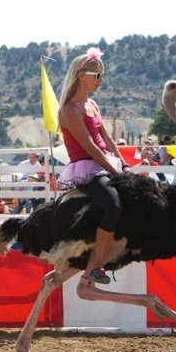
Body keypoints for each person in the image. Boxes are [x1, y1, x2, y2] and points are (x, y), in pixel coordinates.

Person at [55, 47, 127, 285]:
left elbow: (106, 139)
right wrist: (116, 171)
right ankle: (97, 266)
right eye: (97, 75)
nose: (101, 80)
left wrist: (122, 163)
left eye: (101, 75)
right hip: (88, 166)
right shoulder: (69, 109)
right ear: (81, 75)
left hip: (104, 162)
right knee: (113, 206)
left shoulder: (93, 105)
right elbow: (90, 148)